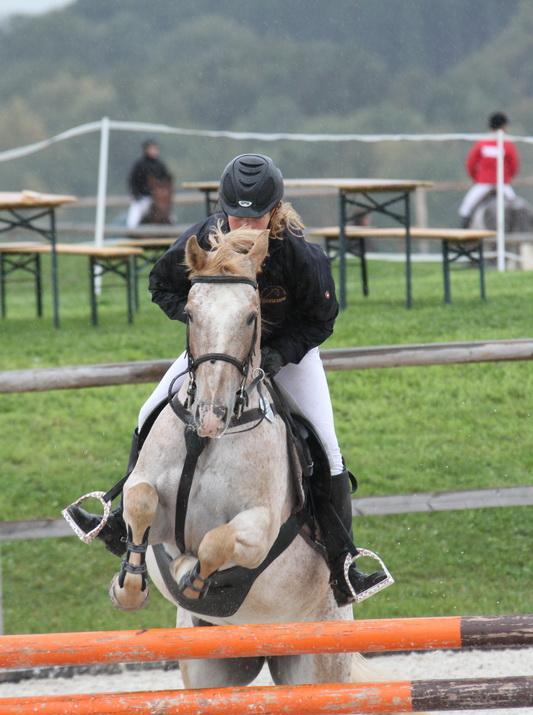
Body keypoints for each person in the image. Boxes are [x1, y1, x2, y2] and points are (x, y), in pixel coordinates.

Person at [67, 153, 391, 606]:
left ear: (275, 211)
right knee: (148, 412)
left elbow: (322, 319)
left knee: (327, 447)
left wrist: (278, 354)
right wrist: (205, 324)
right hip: (217, 350)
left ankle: (343, 563)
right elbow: (161, 285)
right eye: (237, 216)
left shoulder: (298, 255)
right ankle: (123, 523)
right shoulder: (203, 239)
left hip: (287, 355)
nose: (245, 225)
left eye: (256, 217)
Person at [459, 112, 520, 227]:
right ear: (504, 126)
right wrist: (507, 178)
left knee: (465, 209)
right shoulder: (507, 144)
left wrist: (476, 178)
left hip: (483, 184)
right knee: (517, 209)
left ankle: (463, 231)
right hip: (503, 185)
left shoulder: (482, 143)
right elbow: (514, 166)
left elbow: (470, 164)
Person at [126, 139, 173, 229]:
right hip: (143, 197)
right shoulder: (140, 165)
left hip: (158, 199)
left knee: (170, 218)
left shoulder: (160, 165)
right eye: (152, 149)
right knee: (133, 220)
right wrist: (136, 194)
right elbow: (132, 181)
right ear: (146, 150)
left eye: (155, 149)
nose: (154, 151)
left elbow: (166, 180)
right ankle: (131, 232)